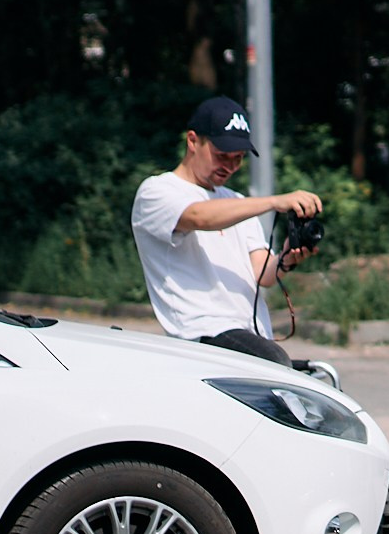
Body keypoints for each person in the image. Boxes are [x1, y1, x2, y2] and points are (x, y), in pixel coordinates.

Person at [131, 95, 324, 368]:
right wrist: (273, 201)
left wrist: (287, 259)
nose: (230, 166)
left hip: (249, 333)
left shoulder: (236, 200)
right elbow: (200, 216)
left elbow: (262, 273)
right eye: (222, 156)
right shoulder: (157, 191)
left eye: (239, 158)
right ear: (192, 141)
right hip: (201, 335)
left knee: (304, 378)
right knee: (274, 364)